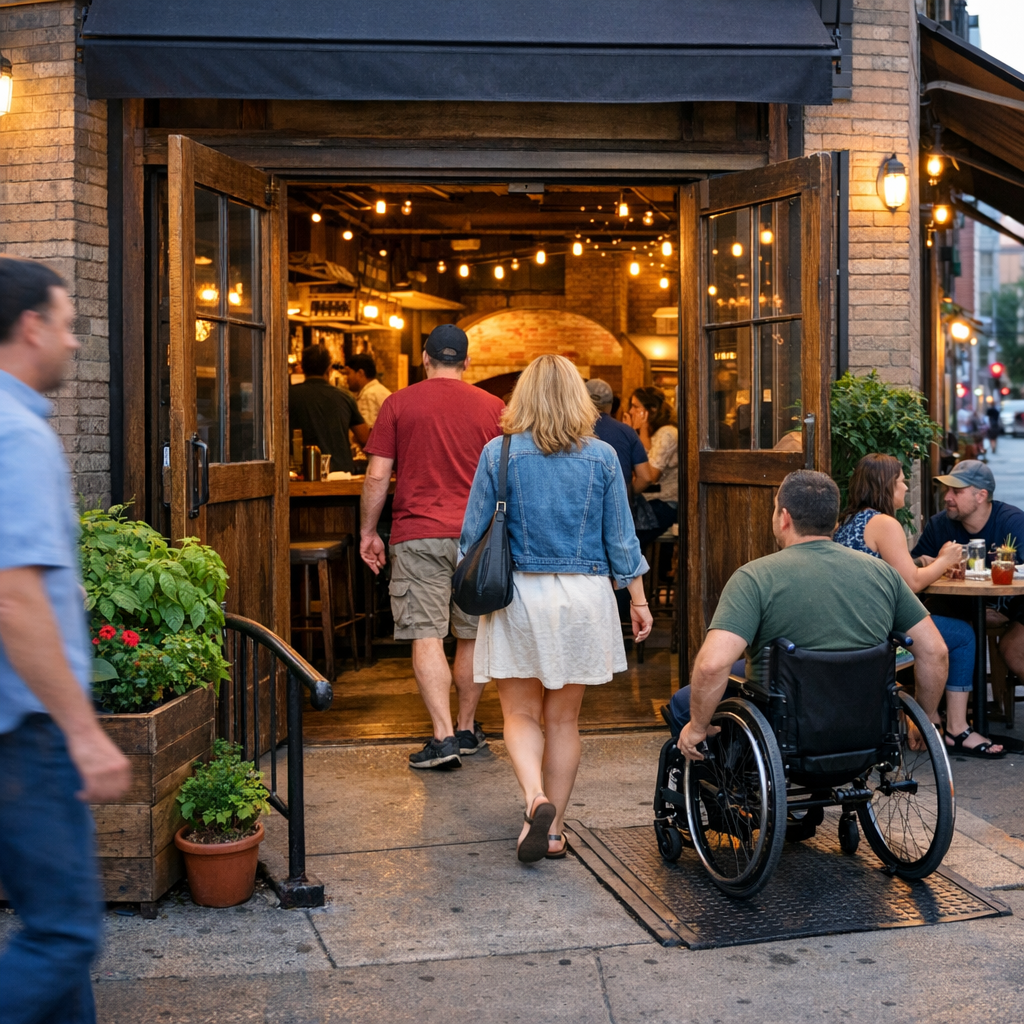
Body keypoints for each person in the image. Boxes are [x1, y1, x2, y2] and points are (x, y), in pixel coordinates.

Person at [0, 256, 132, 1022]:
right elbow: (14, 601)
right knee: (64, 933)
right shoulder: (18, 437)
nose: (76, 343)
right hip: (27, 727)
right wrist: (84, 733)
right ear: (31, 327)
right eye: (67, 325)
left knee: (61, 937)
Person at [461, 355, 652, 862]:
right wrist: (637, 598)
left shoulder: (497, 453)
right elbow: (621, 538)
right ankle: (552, 832)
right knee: (564, 721)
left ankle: (533, 799)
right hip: (584, 597)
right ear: (579, 400)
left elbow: (470, 539)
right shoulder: (605, 456)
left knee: (520, 712)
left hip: (518, 595)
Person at [665, 470, 948, 763]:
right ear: (834, 522)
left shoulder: (755, 577)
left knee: (683, 704)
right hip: (862, 725)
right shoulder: (884, 575)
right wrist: (926, 717)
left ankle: (726, 793)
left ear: (783, 517)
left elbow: (712, 665)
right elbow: (935, 651)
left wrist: (698, 727)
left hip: (786, 727)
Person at [361, 325, 504, 769]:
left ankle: (442, 739)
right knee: (470, 634)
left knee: (426, 633)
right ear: (466, 362)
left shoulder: (398, 403)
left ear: (425, 359)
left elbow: (377, 476)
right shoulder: (494, 407)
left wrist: (369, 531)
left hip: (417, 533)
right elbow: (505, 476)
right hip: (476, 539)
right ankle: (465, 728)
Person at [834, 454, 1002, 757]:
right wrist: (944, 561)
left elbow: (884, 566)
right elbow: (911, 583)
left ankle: (937, 721)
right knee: (962, 636)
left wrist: (921, 561)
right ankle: (949, 727)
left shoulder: (845, 522)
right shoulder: (884, 523)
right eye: (900, 480)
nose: (905, 487)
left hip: (848, 624)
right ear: (886, 485)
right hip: (878, 630)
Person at [912, 458, 1024, 733]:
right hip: (961, 608)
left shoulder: (1012, 523)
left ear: (981, 495)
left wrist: (1005, 609)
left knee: (1013, 650)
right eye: (946, 491)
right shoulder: (940, 526)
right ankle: (948, 719)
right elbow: (914, 564)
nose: (947, 498)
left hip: (1015, 606)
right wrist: (928, 561)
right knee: (945, 634)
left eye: (956, 492)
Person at [289, 345, 369, 473]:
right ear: (329, 369)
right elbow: (365, 438)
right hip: (341, 474)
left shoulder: (289, 396)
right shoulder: (345, 397)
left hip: (301, 473)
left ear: (302, 368)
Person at [627, 386, 678, 547]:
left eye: (636, 407)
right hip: (650, 501)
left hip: (664, 504)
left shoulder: (667, 433)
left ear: (652, 409)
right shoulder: (655, 433)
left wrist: (638, 430)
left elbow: (650, 475)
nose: (631, 411)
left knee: (626, 538)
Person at [344, 353, 392, 429]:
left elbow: (368, 434)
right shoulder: (379, 390)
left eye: (348, 373)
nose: (346, 378)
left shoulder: (368, 395)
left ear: (360, 373)